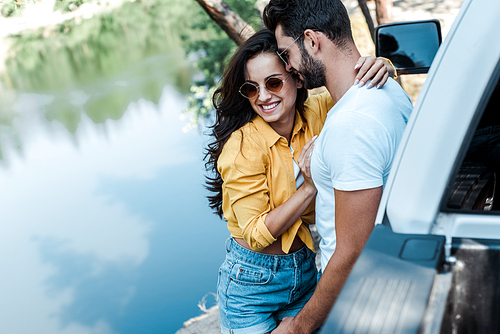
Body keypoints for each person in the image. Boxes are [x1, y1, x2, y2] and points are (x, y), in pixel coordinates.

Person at [205, 28, 395, 334]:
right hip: (250, 285)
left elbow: (358, 91)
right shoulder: (243, 146)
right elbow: (255, 233)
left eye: (274, 82)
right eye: (251, 89)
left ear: (296, 77)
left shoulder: (320, 110)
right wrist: (308, 188)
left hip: (304, 268)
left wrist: (384, 66)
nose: (263, 96)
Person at [262, 0, 413, 333]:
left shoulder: (352, 124)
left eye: (287, 55)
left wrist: (298, 328)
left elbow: (352, 252)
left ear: (313, 41)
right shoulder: (385, 87)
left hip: (355, 301)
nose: (288, 69)